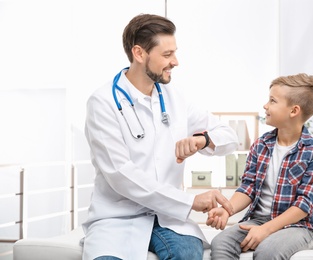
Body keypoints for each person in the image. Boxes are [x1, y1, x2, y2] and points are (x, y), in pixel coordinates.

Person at [82, 14, 239, 260]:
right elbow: (121, 175)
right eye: (167, 55)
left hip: (169, 218)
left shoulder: (175, 97)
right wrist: (189, 201)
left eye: (174, 53)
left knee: (187, 255)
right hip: (118, 218)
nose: (175, 62)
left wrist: (202, 140)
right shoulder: (102, 102)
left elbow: (230, 137)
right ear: (139, 53)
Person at [206, 73, 313, 260]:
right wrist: (227, 209)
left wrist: (266, 230)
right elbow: (248, 187)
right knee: (220, 243)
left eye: (272, 101)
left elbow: (304, 205)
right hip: (259, 219)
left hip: (299, 227)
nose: (265, 105)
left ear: (294, 111)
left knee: (267, 252)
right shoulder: (261, 144)